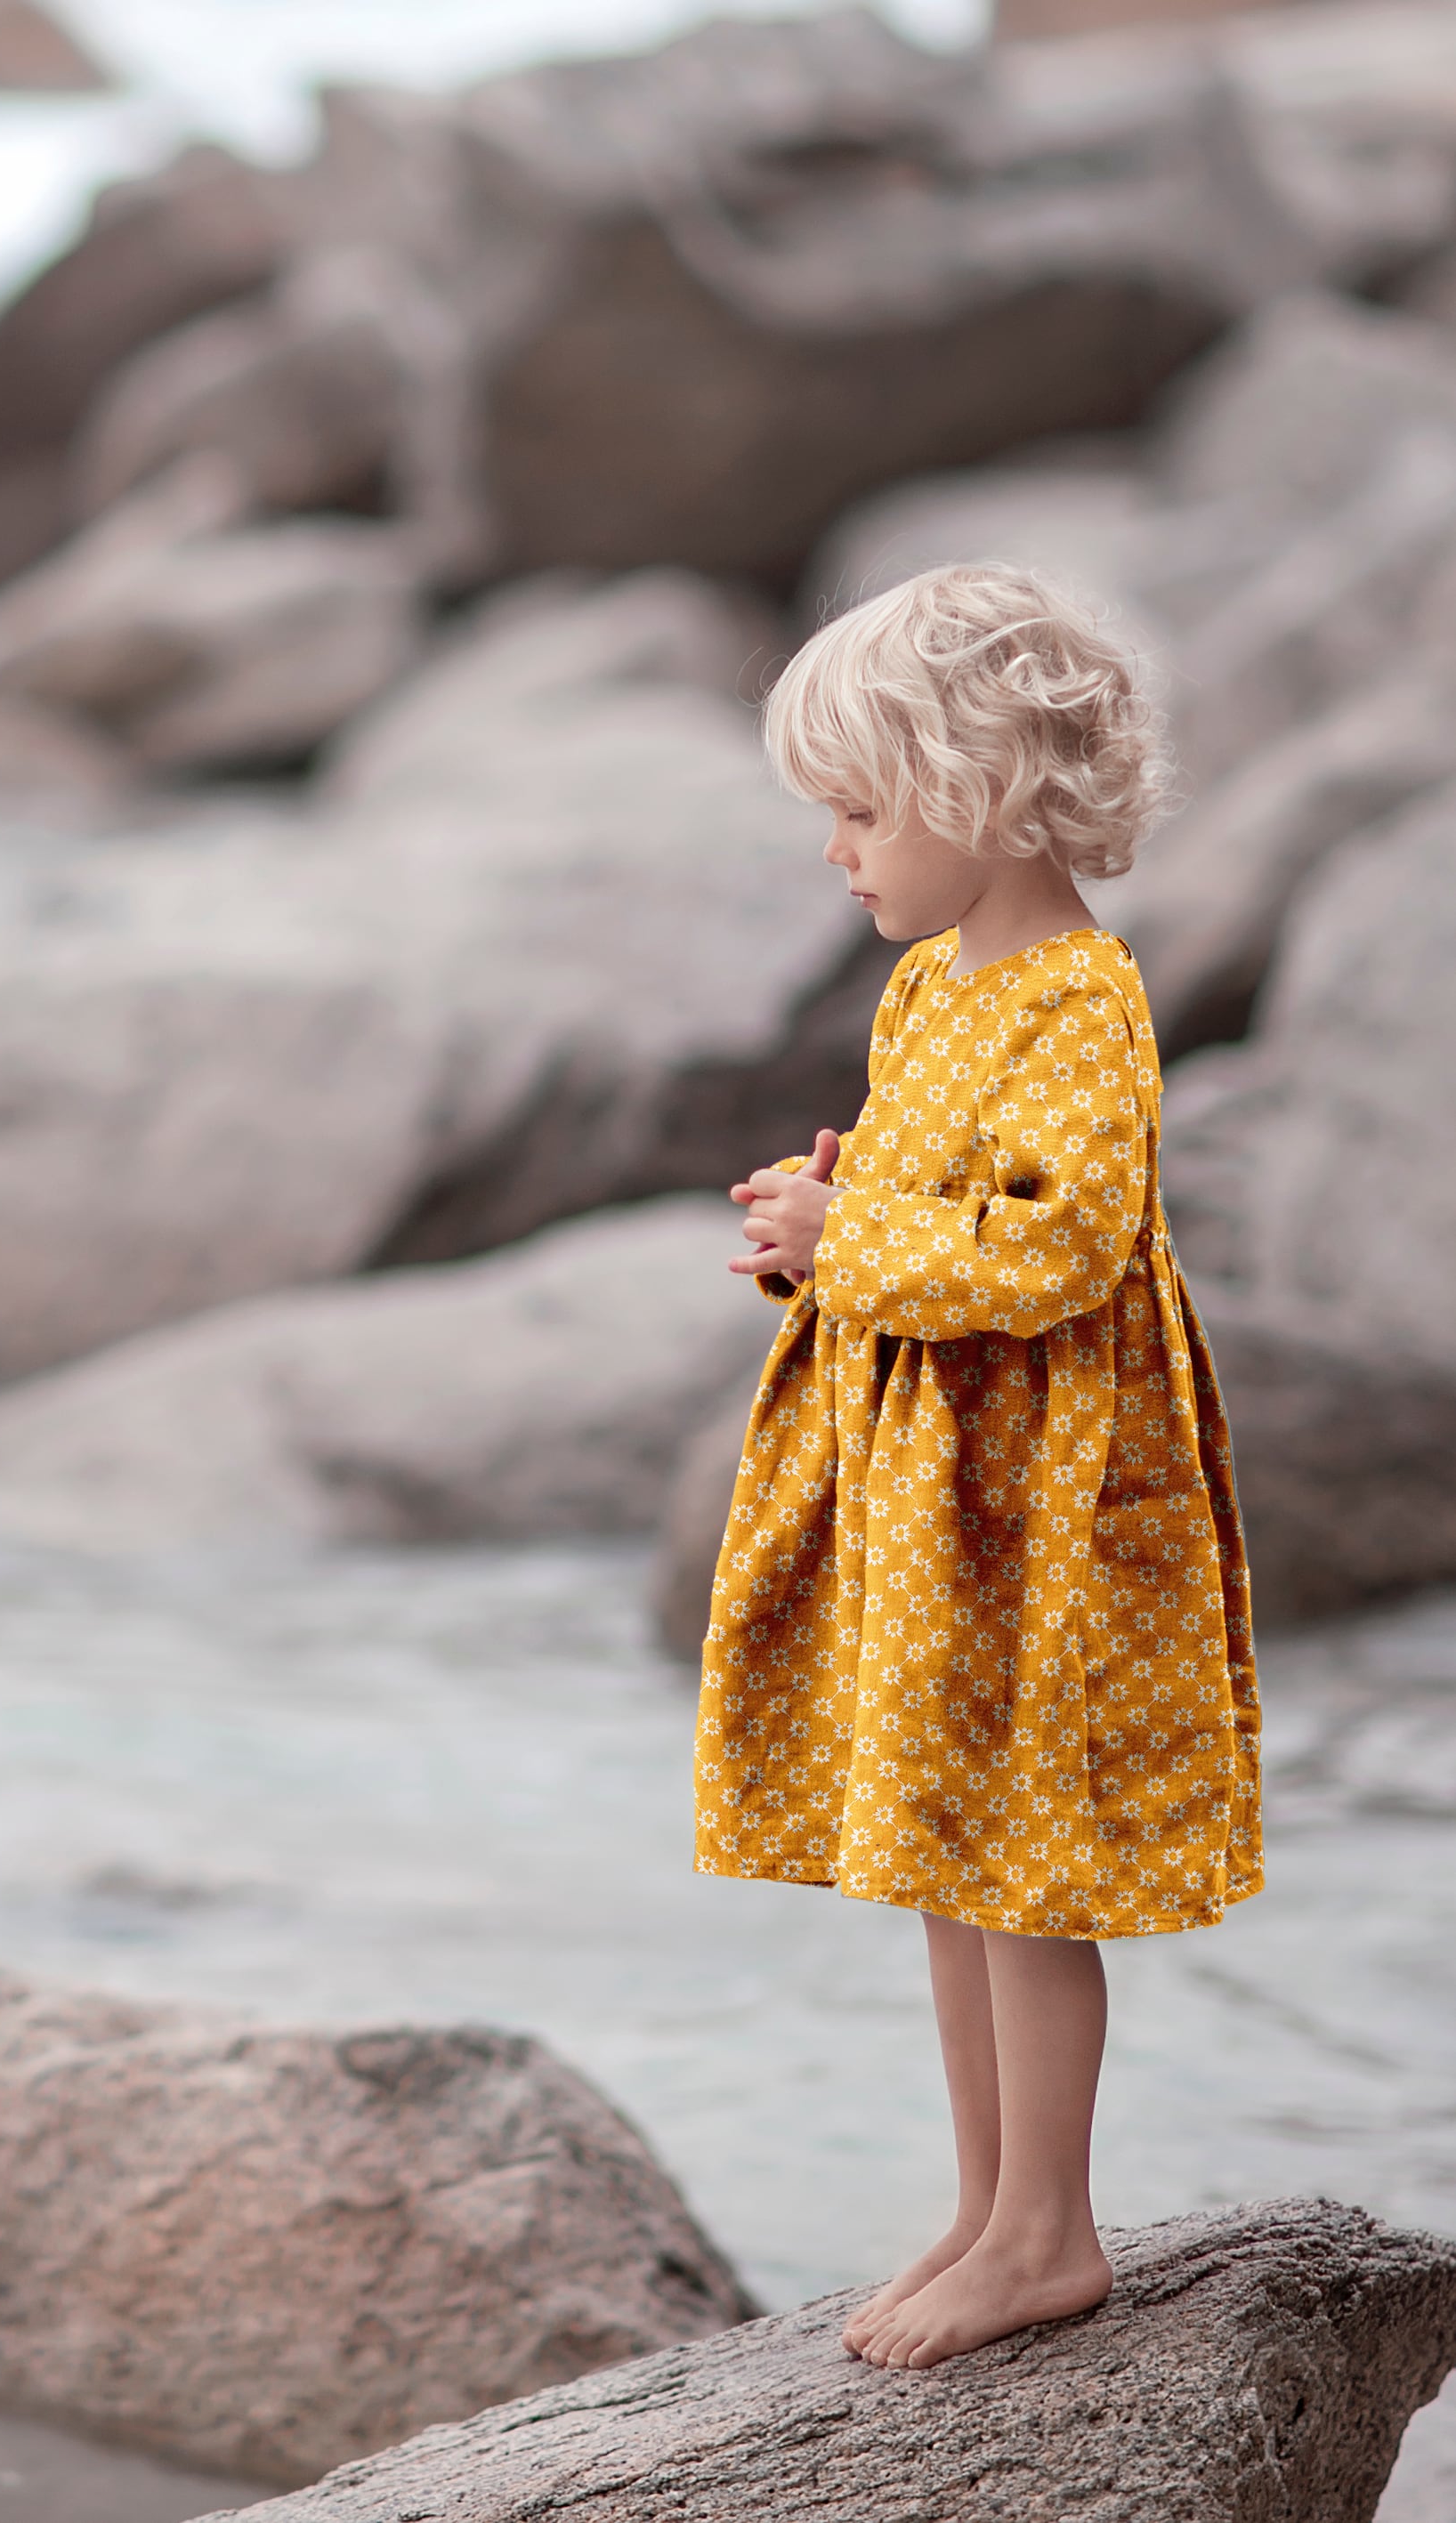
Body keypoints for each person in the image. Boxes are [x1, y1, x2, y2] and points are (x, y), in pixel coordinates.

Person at [694, 562, 1260, 2373]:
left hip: (1041, 1500)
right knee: (942, 1845)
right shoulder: (931, 989)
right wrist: (827, 1223)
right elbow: (939, 1204)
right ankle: (980, 2197)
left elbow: (1051, 1249)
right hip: (934, 1491)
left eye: (859, 810)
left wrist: (852, 1231)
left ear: (973, 791)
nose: (838, 851)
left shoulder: (1078, 995)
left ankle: (1049, 2228)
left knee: (1024, 1866)